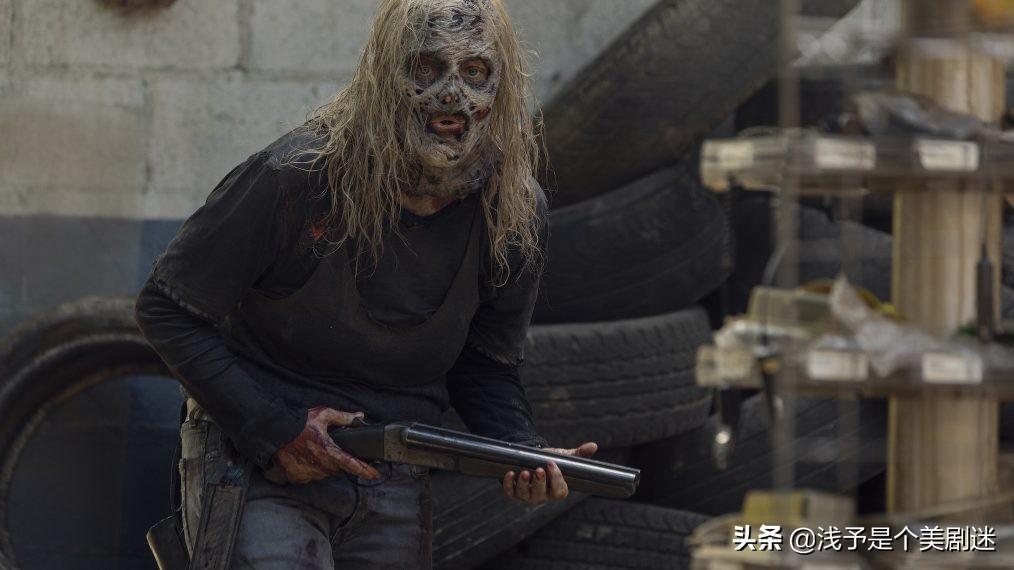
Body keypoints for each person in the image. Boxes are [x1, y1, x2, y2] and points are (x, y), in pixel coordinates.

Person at [134, 0, 596, 568]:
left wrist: (522, 452)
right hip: (260, 462)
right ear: (384, 76)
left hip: (392, 471)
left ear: (501, 89)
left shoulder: (513, 211)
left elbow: (484, 367)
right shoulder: (295, 179)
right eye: (426, 68)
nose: (452, 96)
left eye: (475, 72)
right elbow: (167, 308)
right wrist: (275, 429)